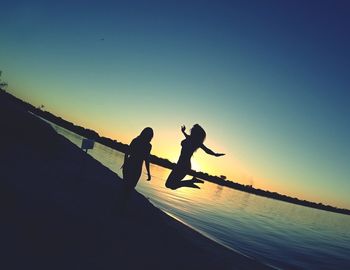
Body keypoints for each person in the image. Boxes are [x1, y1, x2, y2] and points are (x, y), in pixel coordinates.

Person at [165, 124, 224, 190]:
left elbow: (207, 150)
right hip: (181, 164)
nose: (191, 129)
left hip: (184, 165)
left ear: (196, 132)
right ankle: (190, 182)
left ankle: (190, 182)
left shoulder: (197, 142)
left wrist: (215, 154)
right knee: (171, 185)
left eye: (193, 129)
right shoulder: (190, 138)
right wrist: (183, 132)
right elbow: (187, 136)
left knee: (169, 184)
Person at [122, 127, 153, 195]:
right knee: (129, 187)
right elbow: (146, 160)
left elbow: (127, 152)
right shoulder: (147, 145)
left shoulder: (136, 141)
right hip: (135, 167)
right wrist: (148, 173)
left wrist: (125, 163)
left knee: (126, 186)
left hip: (132, 166)